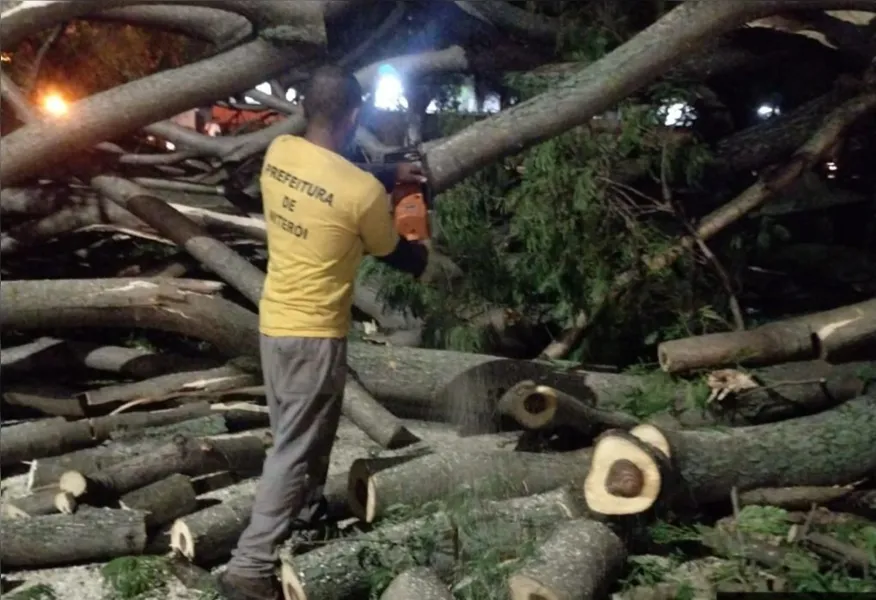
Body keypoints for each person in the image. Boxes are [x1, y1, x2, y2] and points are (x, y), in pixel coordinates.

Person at [218, 64, 434, 600]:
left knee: (310, 433)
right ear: (355, 115)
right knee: (294, 448)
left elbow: (329, 183)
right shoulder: (360, 192)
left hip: (274, 325)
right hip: (315, 334)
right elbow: (399, 255)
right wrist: (414, 213)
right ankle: (250, 567)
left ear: (308, 110)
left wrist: (388, 176)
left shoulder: (280, 155)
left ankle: (310, 520)